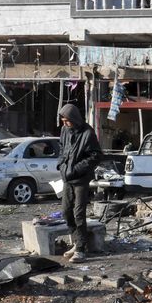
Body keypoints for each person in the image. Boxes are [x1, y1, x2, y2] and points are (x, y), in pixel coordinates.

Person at [57, 104, 103, 263]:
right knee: (66, 212)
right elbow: (62, 148)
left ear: (74, 119)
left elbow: (96, 156)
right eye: (62, 121)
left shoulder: (88, 134)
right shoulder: (64, 131)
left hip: (81, 179)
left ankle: (81, 250)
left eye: (67, 121)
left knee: (78, 213)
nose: (64, 124)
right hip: (67, 178)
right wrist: (61, 165)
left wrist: (76, 169)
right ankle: (77, 243)